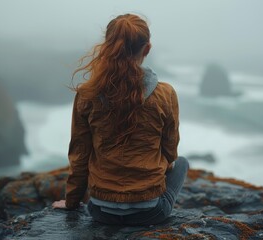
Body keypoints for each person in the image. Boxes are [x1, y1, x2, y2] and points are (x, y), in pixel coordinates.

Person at [52, 13, 189, 225]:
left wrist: (71, 202)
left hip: (99, 210)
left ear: (108, 46)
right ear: (147, 48)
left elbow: (80, 156)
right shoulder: (165, 93)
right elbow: (170, 151)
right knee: (181, 163)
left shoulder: (87, 94)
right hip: (150, 212)